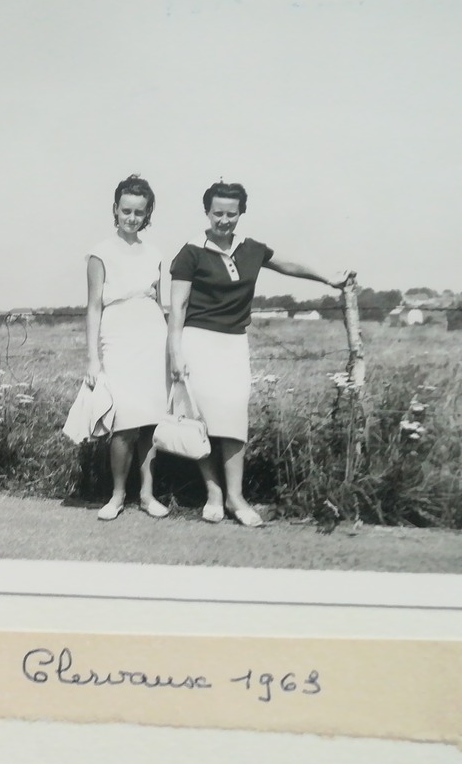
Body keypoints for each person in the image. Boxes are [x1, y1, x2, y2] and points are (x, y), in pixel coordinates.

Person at [167, 181, 352, 527]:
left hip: (234, 343)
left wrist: (328, 278)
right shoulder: (190, 252)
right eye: (217, 213)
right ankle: (214, 494)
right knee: (199, 419)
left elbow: (290, 265)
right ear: (207, 212)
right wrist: (175, 352)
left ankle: (236, 498)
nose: (224, 220)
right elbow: (177, 306)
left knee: (234, 416)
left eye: (231, 214)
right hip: (196, 340)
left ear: (241, 214)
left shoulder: (251, 248)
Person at [83, 174, 171, 522]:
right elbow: (93, 307)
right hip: (117, 335)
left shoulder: (155, 253)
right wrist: (92, 358)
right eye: (126, 211)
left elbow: (159, 302)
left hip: (152, 335)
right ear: (115, 210)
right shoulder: (99, 253)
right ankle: (118, 495)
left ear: (147, 214)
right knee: (123, 421)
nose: (132, 218)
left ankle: (147, 495)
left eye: (139, 212)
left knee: (150, 421)